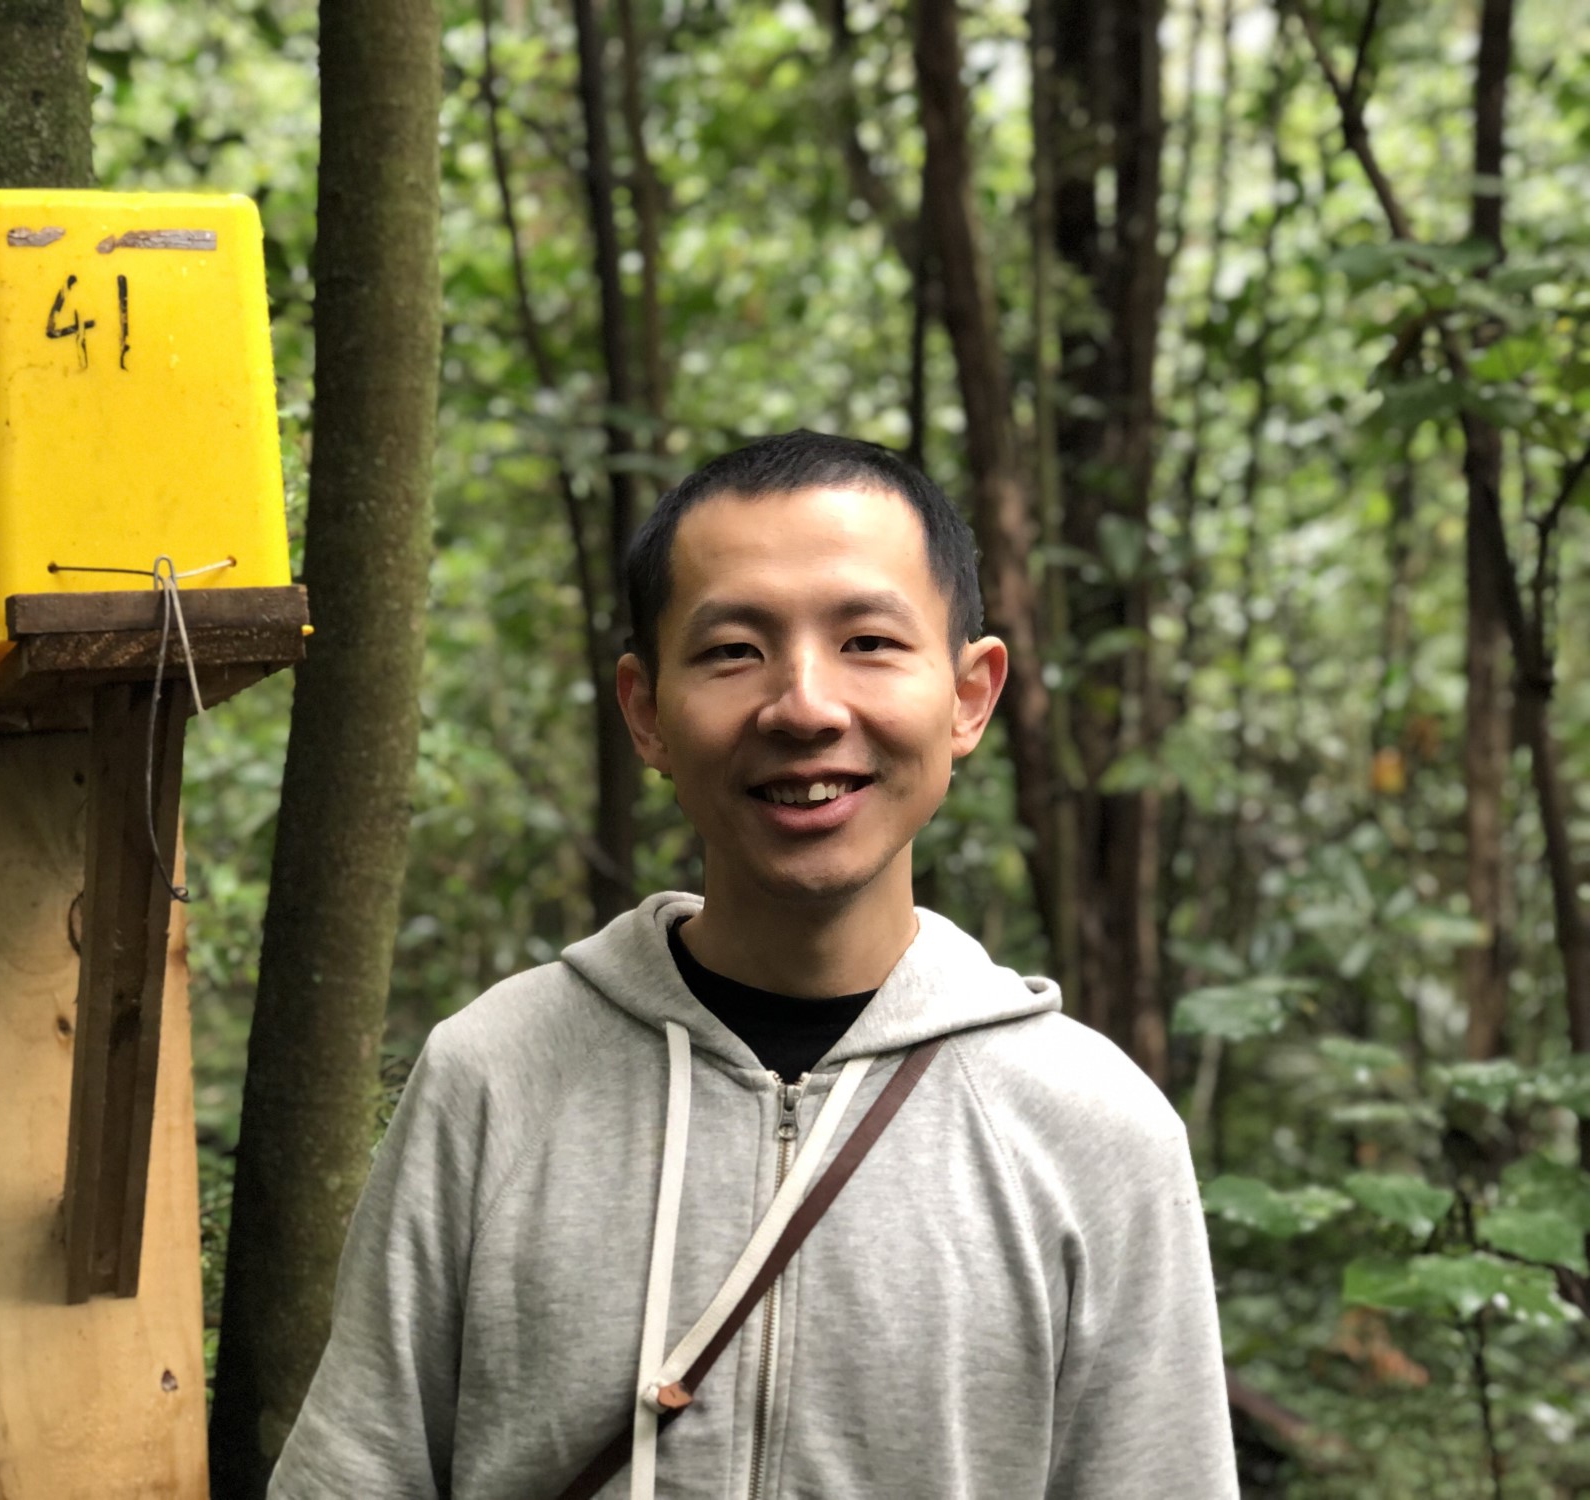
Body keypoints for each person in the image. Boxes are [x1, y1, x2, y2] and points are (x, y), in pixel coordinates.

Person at [268, 431, 1237, 1498]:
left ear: (967, 695)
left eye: (868, 641)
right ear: (645, 711)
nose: (805, 706)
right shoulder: (495, 1076)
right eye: (734, 651)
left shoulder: (1091, 1129)